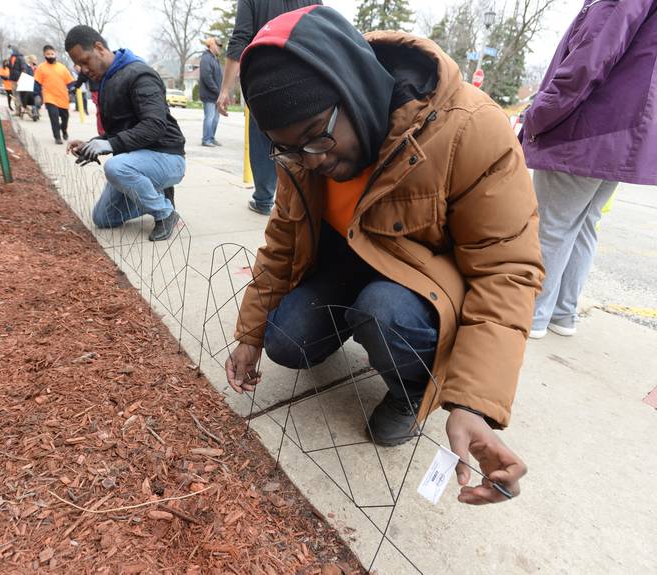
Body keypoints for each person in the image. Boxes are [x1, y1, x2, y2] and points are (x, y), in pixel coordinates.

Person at [225, 6, 544, 505]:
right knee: (284, 340)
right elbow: (283, 240)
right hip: (346, 262)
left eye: (317, 136)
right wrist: (250, 333)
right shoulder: (302, 152)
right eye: (291, 150)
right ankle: (363, 327)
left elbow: (507, 269)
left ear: (352, 87)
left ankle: (411, 387)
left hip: (420, 283)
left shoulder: (468, 129)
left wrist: (471, 402)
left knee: (385, 311)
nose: (314, 160)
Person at [521, 0, 657, 339]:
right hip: (622, 132)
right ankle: (562, 313)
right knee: (583, 224)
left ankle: (532, 315)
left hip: (586, 128)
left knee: (552, 224)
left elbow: (591, 56)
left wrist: (540, 111)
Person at [64, 25, 186, 242]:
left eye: (85, 61)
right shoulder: (108, 79)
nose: (83, 69)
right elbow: (120, 131)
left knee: (115, 166)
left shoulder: (140, 74)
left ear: (99, 48)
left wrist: (109, 145)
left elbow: (154, 126)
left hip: (167, 157)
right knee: (103, 218)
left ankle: (165, 213)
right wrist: (92, 143)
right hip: (136, 160)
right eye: (79, 65)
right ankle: (158, 197)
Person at [217, 0, 322, 216]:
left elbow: (240, 38)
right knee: (305, 139)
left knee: (263, 142)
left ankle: (264, 199)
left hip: (262, 81)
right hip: (304, 76)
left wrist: (225, 90)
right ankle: (301, 199)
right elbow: (321, 29)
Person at [34, 45, 74, 144]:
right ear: (44, 55)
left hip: (62, 97)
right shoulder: (41, 68)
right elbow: (37, 83)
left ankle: (64, 130)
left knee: (65, 118)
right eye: (48, 54)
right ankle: (57, 137)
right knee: (54, 117)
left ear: (55, 54)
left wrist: (72, 90)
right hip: (49, 97)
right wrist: (37, 95)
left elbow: (70, 82)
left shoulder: (62, 67)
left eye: (52, 54)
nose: (50, 56)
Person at [199, 37, 223, 147]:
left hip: (216, 95)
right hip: (209, 95)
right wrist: (217, 91)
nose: (220, 48)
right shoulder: (206, 58)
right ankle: (206, 139)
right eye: (218, 46)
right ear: (212, 45)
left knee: (216, 118)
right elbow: (206, 77)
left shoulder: (214, 59)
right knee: (209, 117)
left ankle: (211, 138)